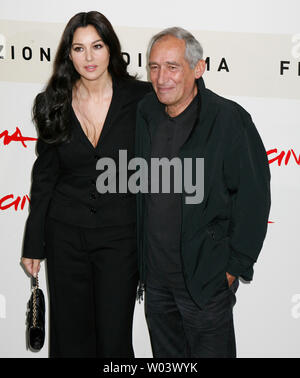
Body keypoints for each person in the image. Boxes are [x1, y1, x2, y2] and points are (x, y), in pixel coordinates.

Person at [21, 11, 151, 358]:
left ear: (111, 49)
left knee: (113, 340)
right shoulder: (53, 102)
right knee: (70, 338)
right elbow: (45, 176)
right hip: (65, 235)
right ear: (68, 54)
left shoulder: (142, 99)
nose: (89, 57)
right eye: (79, 48)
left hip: (120, 237)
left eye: (97, 46)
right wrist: (34, 243)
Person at [136, 27, 271, 358]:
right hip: (157, 284)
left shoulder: (228, 120)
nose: (161, 77)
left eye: (172, 66)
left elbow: (254, 199)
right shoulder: (145, 113)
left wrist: (230, 269)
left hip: (205, 282)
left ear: (198, 69)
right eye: (154, 67)